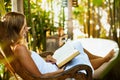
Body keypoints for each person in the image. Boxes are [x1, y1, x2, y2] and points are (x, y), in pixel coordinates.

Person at [0, 12, 114, 78]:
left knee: (76, 45)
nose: (27, 29)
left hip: (52, 65)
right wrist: (61, 71)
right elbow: (40, 76)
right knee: (80, 59)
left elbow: (34, 64)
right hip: (54, 74)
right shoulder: (20, 49)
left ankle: (102, 59)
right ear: (16, 30)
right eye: (24, 27)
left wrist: (47, 59)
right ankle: (105, 59)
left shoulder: (17, 47)